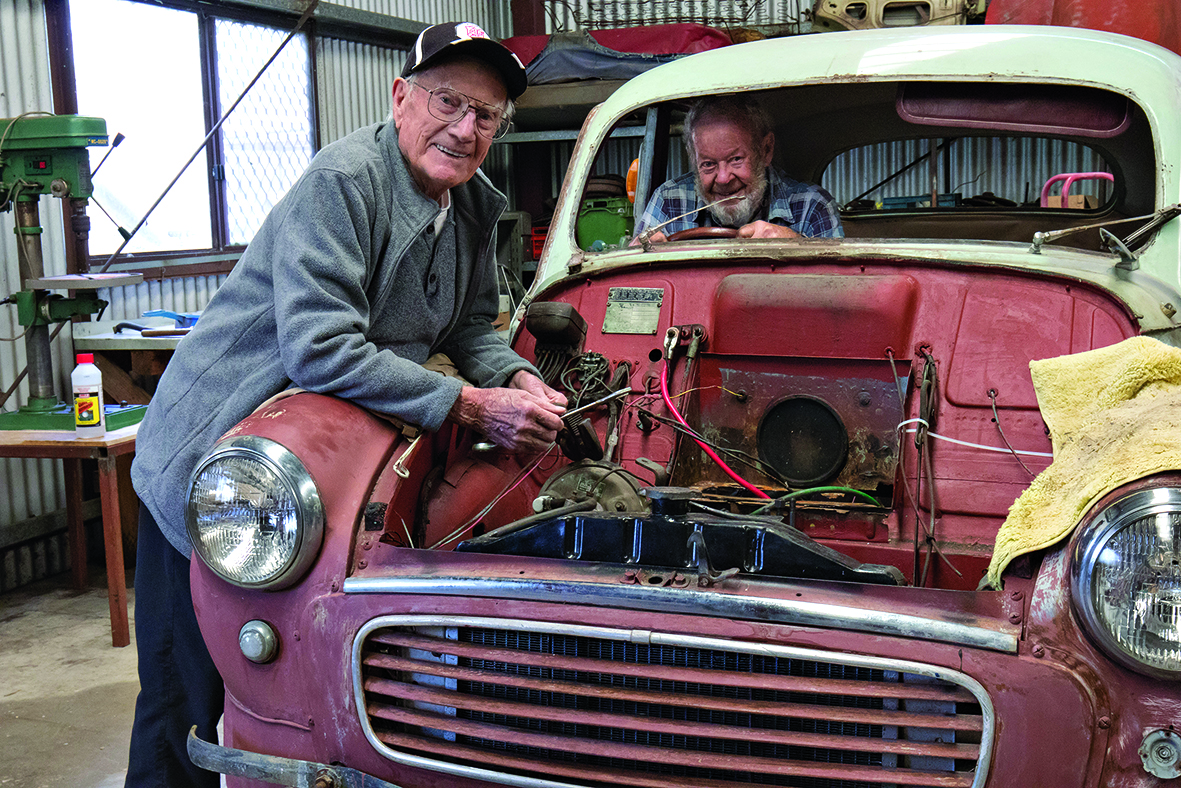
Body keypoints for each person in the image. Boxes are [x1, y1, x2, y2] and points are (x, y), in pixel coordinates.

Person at [124, 22, 566, 787]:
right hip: (215, 460)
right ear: (401, 98)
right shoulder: (345, 183)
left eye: (485, 115)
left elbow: (468, 327)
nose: (464, 129)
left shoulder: (471, 206)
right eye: (447, 102)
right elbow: (319, 349)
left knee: (285, 676)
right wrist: (466, 405)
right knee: (183, 697)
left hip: (305, 463)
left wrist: (517, 379)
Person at [632, 94, 844, 243]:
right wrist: (643, 260)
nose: (723, 178)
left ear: (766, 150)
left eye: (735, 159)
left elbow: (839, 292)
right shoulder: (668, 201)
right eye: (708, 164)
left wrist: (797, 245)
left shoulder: (812, 207)